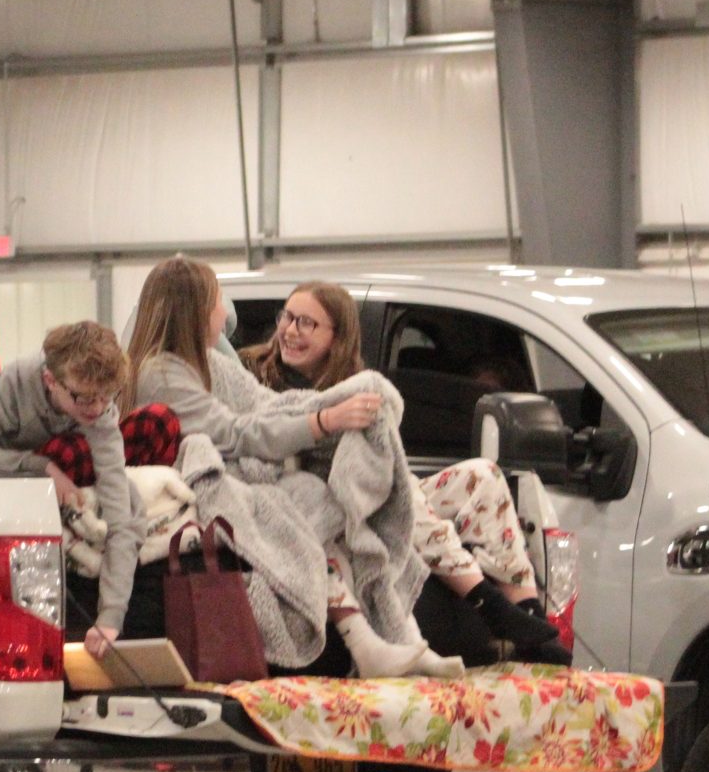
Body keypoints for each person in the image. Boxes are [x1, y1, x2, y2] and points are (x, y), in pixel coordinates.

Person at [126, 257, 461, 679]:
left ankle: (396, 639)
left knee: (332, 500)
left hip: (252, 469)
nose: (225, 315)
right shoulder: (164, 373)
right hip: (215, 485)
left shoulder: (199, 365)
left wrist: (328, 411)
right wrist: (323, 420)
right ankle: (380, 640)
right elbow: (234, 433)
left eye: (307, 322)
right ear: (194, 311)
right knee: (314, 500)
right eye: (217, 303)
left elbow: (258, 408)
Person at [241, 281, 563, 658]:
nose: (290, 331)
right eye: (287, 317)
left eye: (306, 323)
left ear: (337, 338)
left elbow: (380, 455)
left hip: (370, 499)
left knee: (482, 476)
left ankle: (529, 617)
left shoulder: (354, 384)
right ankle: (487, 602)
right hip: (318, 506)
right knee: (403, 492)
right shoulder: (254, 374)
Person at [0, 321, 142, 658]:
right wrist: (41, 469)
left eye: (106, 397)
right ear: (50, 380)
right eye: (84, 397)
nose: (96, 408)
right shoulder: (16, 382)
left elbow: (120, 520)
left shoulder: (100, 412)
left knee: (129, 498)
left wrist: (111, 617)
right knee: (61, 454)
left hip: (68, 471)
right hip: (11, 473)